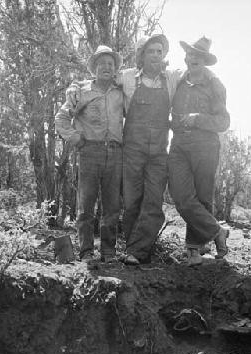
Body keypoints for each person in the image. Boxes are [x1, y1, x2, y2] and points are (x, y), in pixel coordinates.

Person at [67, 35, 182, 265]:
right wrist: (74, 86)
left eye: (160, 52)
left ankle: (137, 251)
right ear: (142, 55)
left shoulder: (171, 79)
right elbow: (100, 79)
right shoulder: (128, 78)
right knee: (130, 203)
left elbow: (192, 76)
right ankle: (129, 250)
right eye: (151, 51)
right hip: (131, 152)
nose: (156, 56)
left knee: (153, 203)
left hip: (158, 152)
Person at [55, 45, 124, 263]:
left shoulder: (120, 91)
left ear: (115, 69)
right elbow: (61, 118)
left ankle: (108, 252)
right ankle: (86, 251)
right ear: (94, 68)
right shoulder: (81, 91)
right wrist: (76, 138)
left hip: (115, 152)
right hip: (89, 152)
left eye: (110, 64)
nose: (106, 67)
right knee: (86, 206)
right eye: (101, 63)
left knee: (112, 206)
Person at [168, 36, 230, 266]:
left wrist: (197, 119)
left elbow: (223, 122)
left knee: (203, 198)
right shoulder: (177, 81)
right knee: (181, 197)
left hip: (206, 146)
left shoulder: (215, 85)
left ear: (205, 61)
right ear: (185, 56)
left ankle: (194, 251)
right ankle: (217, 232)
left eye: (199, 56)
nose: (193, 59)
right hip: (179, 146)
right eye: (191, 54)